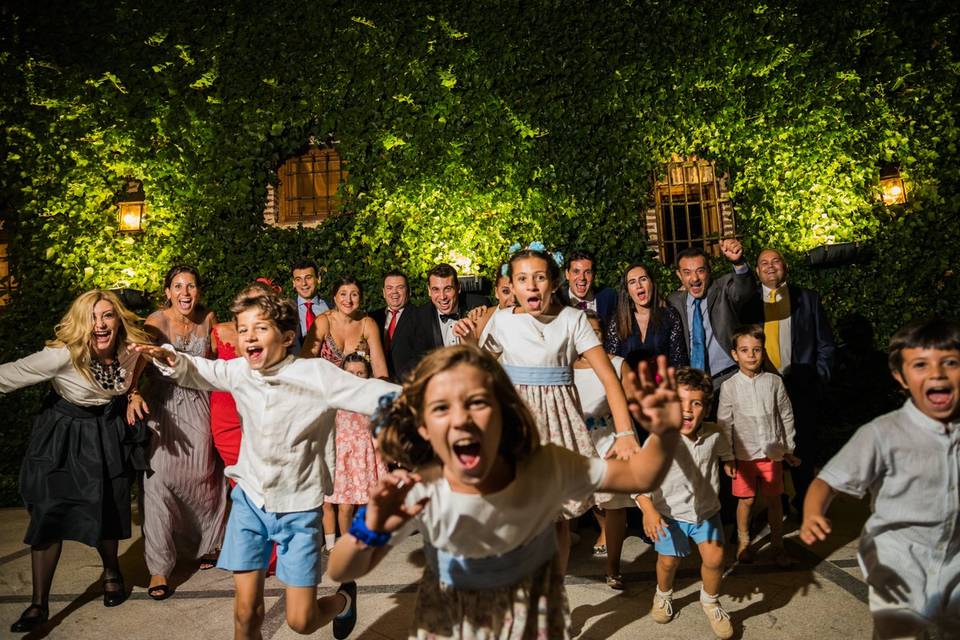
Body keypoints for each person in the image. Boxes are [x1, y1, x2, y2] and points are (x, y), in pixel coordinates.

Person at [326, 344, 682, 639]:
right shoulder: (424, 489)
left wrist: (664, 430)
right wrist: (366, 528)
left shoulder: (546, 466)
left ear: (503, 410)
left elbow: (639, 473)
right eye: (441, 408)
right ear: (423, 427)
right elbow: (342, 569)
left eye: (476, 402)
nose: (461, 419)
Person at [136, 290, 400, 640]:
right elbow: (203, 369)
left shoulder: (317, 375)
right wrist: (169, 358)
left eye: (260, 328)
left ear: (288, 337)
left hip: (298, 509)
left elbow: (374, 395)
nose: (249, 337)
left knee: (302, 622)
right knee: (245, 615)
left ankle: (341, 601)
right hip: (250, 502)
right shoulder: (241, 372)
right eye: (243, 330)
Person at [454, 246, 640, 574]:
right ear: (511, 285)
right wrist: (471, 343)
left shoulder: (572, 320)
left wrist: (625, 434)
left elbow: (610, 379)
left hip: (558, 430)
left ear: (553, 282)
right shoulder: (502, 321)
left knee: (555, 522)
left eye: (539, 277)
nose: (532, 286)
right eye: (522, 279)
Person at [1, 290, 152, 632]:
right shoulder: (61, 355)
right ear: (81, 323)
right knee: (49, 512)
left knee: (108, 506)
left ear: (118, 321)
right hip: (64, 433)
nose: (100, 325)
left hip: (106, 430)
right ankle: (39, 604)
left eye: (107, 316)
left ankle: (112, 571)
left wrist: (133, 392)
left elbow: (148, 360)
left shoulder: (132, 349)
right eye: (92, 318)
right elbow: (7, 376)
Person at [801, 317, 960, 639]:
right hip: (896, 558)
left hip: (954, 559)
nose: (937, 374)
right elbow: (827, 481)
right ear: (900, 377)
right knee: (901, 630)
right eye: (920, 365)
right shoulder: (882, 433)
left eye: (950, 362)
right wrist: (812, 512)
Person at [142, 265, 227, 600]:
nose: (185, 293)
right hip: (165, 406)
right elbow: (140, 356)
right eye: (178, 286)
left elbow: (221, 358)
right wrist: (133, 393)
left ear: (199, 291)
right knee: (158, 480)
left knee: (206, 477)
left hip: (203, 404)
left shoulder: (209, 318)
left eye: (191, 286)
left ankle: (209, 544)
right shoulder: (156, 320)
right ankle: (159, 568)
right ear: (168, 292)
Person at [637, 367, 735, 639]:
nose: (688, 410)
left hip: (706, 513)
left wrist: (729, 463)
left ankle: (711, 602)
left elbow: (724, 449)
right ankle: (663, 594)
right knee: (668, 563)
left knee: (715, 559)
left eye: (696, 403)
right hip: (670, 516)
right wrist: (648, 511)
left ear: (707, 406)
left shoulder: (715, 433)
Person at [742, 248, 836, 512]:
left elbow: (826, 345)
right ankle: (777, 504)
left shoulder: (808, 300)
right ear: (757, 272)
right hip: (763, 388)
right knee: (769, 446)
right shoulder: (748, 306)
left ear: (785, 266)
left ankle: (805, 503)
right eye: (763, 263)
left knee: (802, 448)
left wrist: (819, 378)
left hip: (801, 385)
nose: (770, 267)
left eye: (775, 261)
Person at [717, 325, 798, 566]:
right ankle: (744, 541)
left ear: (763, 352)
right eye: (744, 350)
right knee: (747, 501)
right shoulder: (730, 386)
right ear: (734, 354)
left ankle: (777, 545)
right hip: (743, 457)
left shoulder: (774, 382)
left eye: (756, 350)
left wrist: (788, 447)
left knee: (774, 501)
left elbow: (786, 415)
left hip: (771, 455)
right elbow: (724, 424)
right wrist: (728, 456)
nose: (751, 355)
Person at [573, 311, 633, 589]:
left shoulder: (618, 364)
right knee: (593, 502)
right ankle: (601, 533)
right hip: (578, 445)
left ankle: (614, 569)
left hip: (610, 444)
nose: (590, 336)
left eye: (596, 332)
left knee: (616, 505)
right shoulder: (565, 367)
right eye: (585, 331)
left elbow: (634, 405)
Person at [210, 279, 281, 472]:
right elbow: (208, 368)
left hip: (260, 411)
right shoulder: (218, 331)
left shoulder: (274, 335)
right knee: (237, 473)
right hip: (226, 414)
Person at [668, 240, 754, 387]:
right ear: (679, 275)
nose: (694, 279)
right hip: (694, 386)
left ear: (709, 270)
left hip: (730, 377)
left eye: (700, 271)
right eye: (687, 273)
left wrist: (739, 262)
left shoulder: (723, 289)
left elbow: (743, 291)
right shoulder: (673, 301)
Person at [324, 353, 387, 550]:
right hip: (342, 456)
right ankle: (344, 544)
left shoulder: (372, 397)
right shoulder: (333, 397)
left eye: (360, 373)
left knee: (366, 503)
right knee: (345, 505)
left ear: (367, 376)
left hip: (364, 455)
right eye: (350, 372)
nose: (355, 376)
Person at [391, 263, 486, 380]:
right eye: (436, 289)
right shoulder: (418, 317)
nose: (442, 297)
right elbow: (404, 365)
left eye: (448, 289)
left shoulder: (478, 305)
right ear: (429, 291)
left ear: (458, 288)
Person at [301, 276, 389, 379]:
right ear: (335, 297)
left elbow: (379, 367)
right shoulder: (323, 322)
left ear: (360, 298)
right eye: (343, 294)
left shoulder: (368, 324)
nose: (348, 300)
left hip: (358, 389)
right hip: (328, 389)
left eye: (354, 295)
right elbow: (305, 362)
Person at [605, 262, 688, 369]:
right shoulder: (618, 320)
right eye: (632, 282)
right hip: (629, 383)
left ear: (652, 284)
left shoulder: (669, 315)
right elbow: (612, 362)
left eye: (643, 279)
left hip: (663, 383)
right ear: (627, 291)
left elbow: (679, 360)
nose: (639, 285)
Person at [368, 271, 414, 381]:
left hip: (406, 383)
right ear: (384, 292)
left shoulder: (420, 316)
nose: (394, 292)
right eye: (389, 288)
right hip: (377, 382)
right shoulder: (372, 318)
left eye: (400, 287)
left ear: (409, 291)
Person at [561, 248, 617, 328]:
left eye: (588, 272)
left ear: (594, 275)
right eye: (576, 271)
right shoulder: (556, 301)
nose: (582, 278)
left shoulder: (609, 297)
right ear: (567, 274)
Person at [291, 259, 330, 356]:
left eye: (308, 278)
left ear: (318, 279)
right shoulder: (286, 309)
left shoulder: (332, 308)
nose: (304, 283)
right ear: (294, 283)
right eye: (298, 279)